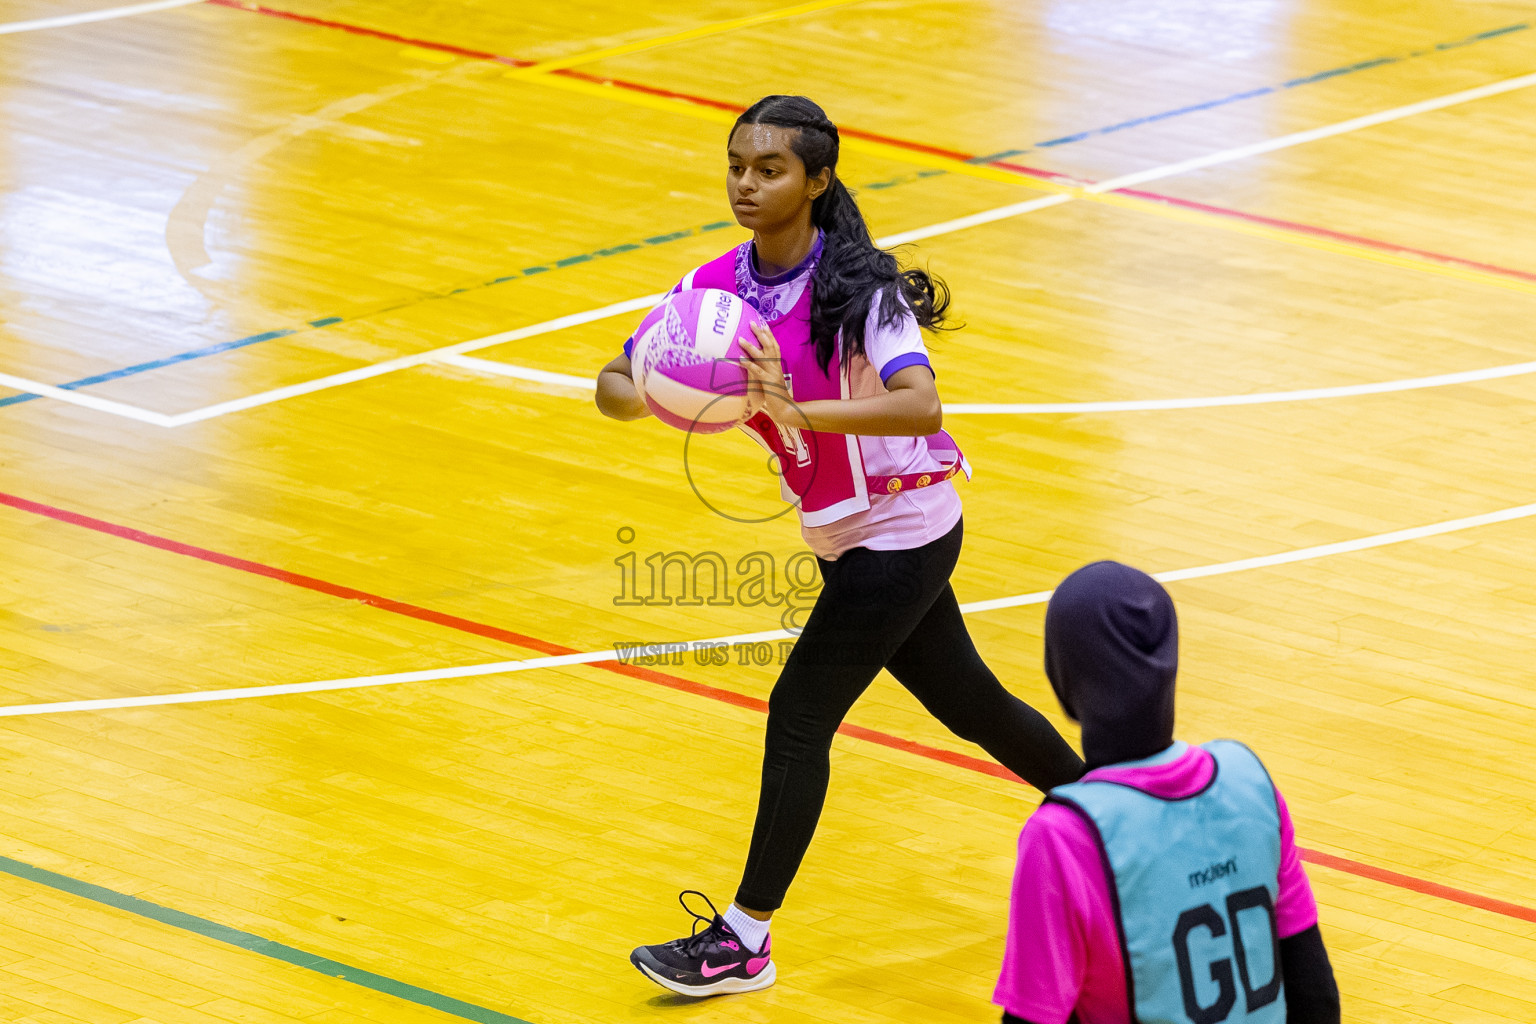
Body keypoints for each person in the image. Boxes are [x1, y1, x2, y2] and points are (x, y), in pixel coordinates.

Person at [595, 94, 1086, 996]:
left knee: (798, 714)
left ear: (818, 182)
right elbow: (615, 380)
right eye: (738, 164)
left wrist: (792, 409)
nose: (747, 183)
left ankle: (744, 940)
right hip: (841, 533)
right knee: (972, 703)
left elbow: (920, 403)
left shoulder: (862, 288)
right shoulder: (713, 289)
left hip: (904, 528)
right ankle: (1115, 820)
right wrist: (650, 389)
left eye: (770, 169)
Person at [995, 561, 1341, 1024]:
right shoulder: (1249, 778)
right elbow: (1315, 993)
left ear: (1062, 680)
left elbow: (1033, 1019)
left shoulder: (1063, 835)